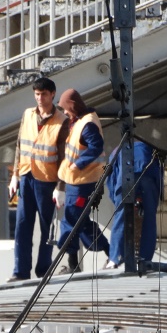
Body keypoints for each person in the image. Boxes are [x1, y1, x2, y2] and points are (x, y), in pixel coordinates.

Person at [7, 77, 70, 282]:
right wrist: (15, 175)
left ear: (52, 94)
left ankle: (43, 269)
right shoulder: (28, 114)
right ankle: (20, 271)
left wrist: (60, 186)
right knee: (22, 226)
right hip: (26, 177)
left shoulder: (62, 120)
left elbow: (63, 157)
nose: (40, 98)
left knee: (47, 229)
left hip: (47, 181)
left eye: (43, 94)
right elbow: (19, 145)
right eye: (37, 94)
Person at [55, 88, 109, 272]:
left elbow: (96, 147)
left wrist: (78, 164)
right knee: (81, 222)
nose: (64, 112)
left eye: (65, 108)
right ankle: (113, 253)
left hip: (82, 182)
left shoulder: (87, 124)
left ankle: (72, 264)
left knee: (71, 221)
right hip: (76, 181)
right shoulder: (80, 121)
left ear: (72, 106)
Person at [105, 140, 163, 269]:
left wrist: (118, 203)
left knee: (121, 216)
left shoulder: (115, 153)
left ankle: (115, 258)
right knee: (149, 218)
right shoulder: (150, 148)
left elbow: (112, 182)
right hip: (150, 175)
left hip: (126, 174)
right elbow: (159, 175)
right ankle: (145, 259)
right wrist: (153, 202)